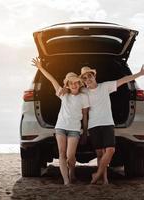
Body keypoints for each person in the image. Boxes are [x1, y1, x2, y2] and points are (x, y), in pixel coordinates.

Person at [79, 65, 144, 184]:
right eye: (85, 78)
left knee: (111, 150)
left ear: (94, 76)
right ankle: (105, 179)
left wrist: (139, 74)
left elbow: (123, 80)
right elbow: (70, 88)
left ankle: (97, 175)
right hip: (93, 126)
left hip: (107, 123)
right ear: (83, 81)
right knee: (100, 154)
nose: (88, 79)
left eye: (90, 76)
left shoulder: (105, 86)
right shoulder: (84, 91)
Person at [31, 57, 90, 185]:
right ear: (67, 85)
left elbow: (85, 116)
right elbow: (52, 79)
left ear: (79, 84)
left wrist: (85, 132)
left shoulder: (84, 97)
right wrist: (41, 68)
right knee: (62, 154)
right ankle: (66, 181)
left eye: (76, 82)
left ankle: (71, 173)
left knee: (70, 156)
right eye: (71, 83)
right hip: (61, 127)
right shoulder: (63, 94)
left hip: (74, 129)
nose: (74, 85)